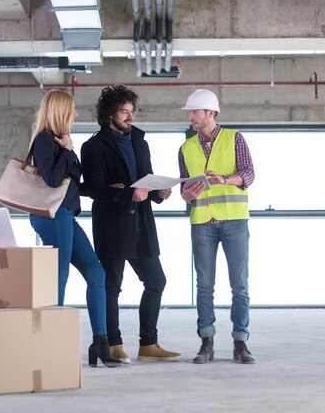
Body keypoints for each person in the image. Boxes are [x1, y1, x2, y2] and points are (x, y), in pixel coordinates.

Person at [80, 84, 181, 363]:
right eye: (123, 111)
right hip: (113, 226)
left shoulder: (140, 141)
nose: (129, 116)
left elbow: (144, 179)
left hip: (142, 225)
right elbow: (93, 189)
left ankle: (148, 345)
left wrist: (159, 192)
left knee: (156, 280)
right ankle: (113, 344)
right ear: (109, 113)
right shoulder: (93, 147)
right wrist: (127, 194)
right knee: (112, 286)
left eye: (131, 110)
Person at [28, 89, 121, 368]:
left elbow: (73, 185)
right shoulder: (45, 141)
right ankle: (49, 344)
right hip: (52, 215)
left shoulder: (60, 141)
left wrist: (105, 188)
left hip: (66, 214)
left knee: (96, 272)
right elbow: (54, 179)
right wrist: (68, 151)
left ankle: (100, 343)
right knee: (60, 274)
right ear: (59, 111)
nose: (76, 114)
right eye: (72, 109)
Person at [178, 89, 256, 364]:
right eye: (190, 112)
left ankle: (240, 342)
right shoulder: (186, 148)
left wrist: (224, 178)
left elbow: (249, 174)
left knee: (240, 285)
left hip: (234, 221)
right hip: (202, 223)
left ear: (210, 113)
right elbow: (185, 190)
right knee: (204, 286)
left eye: (195, 112)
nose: (191, 116)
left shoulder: (234, 139)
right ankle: (206, 343)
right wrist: (187, 194)